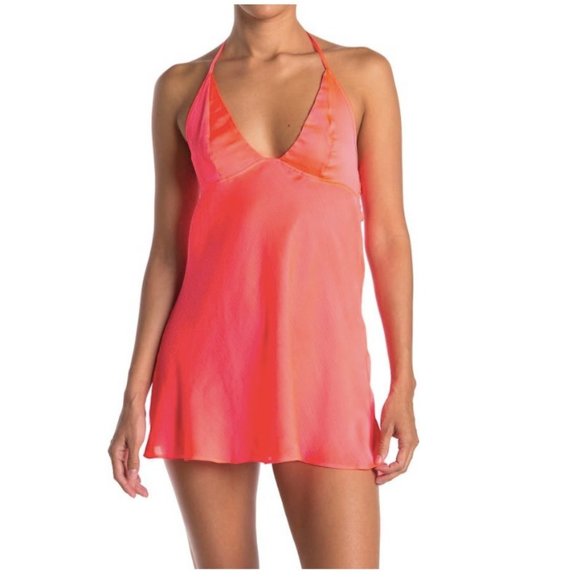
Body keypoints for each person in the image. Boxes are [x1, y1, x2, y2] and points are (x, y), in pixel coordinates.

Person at [108, 4, 418, 569]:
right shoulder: (179, 86)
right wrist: (133, 397)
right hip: (208, 372)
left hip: (326, 374)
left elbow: (389, 238)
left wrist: (403, 380)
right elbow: (167, 252)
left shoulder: (363, 73)